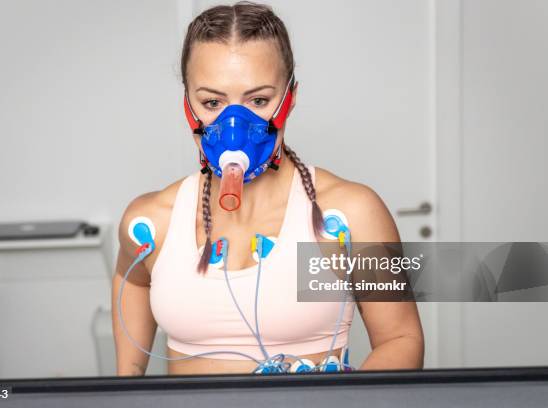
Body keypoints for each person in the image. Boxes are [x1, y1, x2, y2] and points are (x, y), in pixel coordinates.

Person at [112, 1, 424, 376]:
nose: (234, 124)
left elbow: (401, 340)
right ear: (187, 104)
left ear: (290, 97)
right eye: (212, 102)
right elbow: (128, 369)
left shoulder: (349, 215)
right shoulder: (150, 223)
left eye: (258, 100)